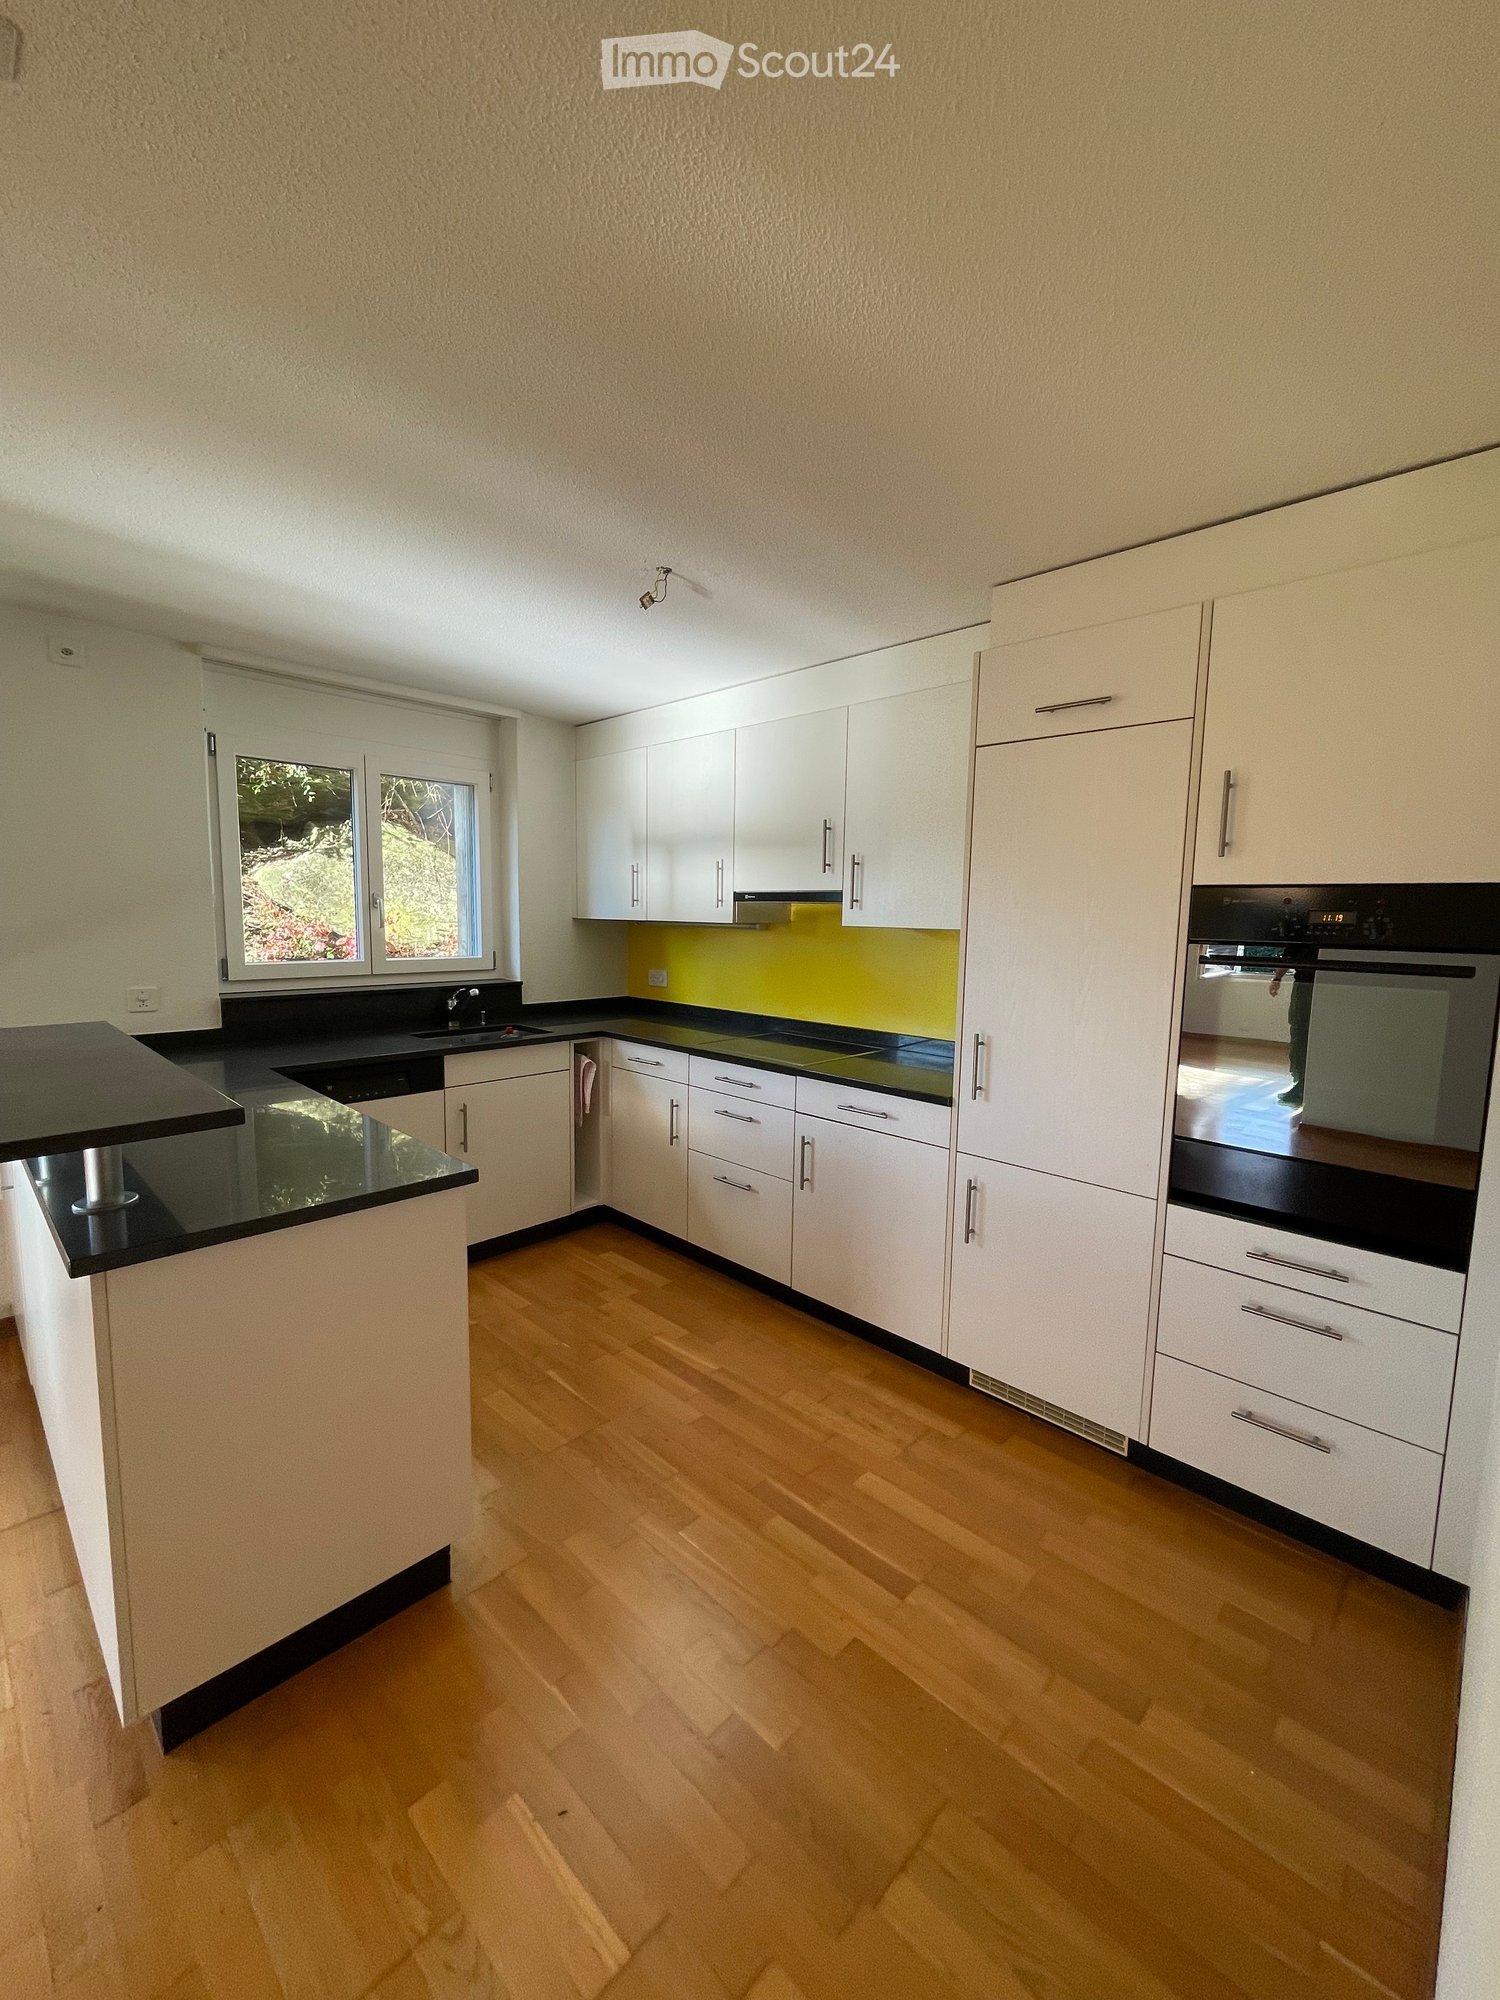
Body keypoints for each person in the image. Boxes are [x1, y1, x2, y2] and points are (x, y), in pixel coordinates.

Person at [1267, 961, 1313, 1109]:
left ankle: (1301, 1086)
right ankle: (1301, 1084)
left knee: (1300, 1032)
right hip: (1308, 983)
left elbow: (1289, 957)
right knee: (1300, 1032)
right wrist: (1277, 978)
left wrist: (1277, 979)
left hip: (1305, 984)